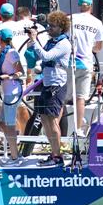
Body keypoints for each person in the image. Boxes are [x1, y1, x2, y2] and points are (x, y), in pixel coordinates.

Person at [27, 11, 72, 167]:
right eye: (49, 25)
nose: (49, 28)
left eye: (52, 26)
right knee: (45, 120)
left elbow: (46, 56)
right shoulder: (52, 40)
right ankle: (53, 153)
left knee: (52, 122)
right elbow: (40, 57)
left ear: (61, 27)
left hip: (56, 84)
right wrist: (32, 44)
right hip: (47, 83)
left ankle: (58, 157)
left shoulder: (64, 43)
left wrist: (34, 40)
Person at [68, 0, 103, 133]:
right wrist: (89, 48)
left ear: (79, 5)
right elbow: (98, 47)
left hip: (68, 63)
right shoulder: (97, 23)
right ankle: (77, 129)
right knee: (80, 98)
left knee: (62, 99)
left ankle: (57, 127)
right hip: (86, 64)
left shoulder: (70, 19)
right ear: (91, 6)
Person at [0, 28, 24, 165]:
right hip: (7, 91)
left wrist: (8, 77)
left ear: (0, 39)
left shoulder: (11, 53)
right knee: (2, 122)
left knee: (10, 124)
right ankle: (14, 148)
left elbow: (20, 72)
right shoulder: (4, 52)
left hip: (12, 92)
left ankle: (15, 156)